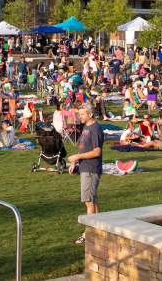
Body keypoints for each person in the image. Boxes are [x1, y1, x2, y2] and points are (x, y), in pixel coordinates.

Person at [68, 103, 104, 245]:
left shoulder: (95, 129)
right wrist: (75, 162)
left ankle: (88, 233)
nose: (79, 116)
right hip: (85, 167)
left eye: (82, 114)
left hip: (91, 169)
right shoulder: (86, 128)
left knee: (88, 202)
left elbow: (97, 151)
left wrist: (77, 158)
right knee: (92, 201)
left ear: (90, 114)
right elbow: (83, 148)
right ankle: (100, 229)